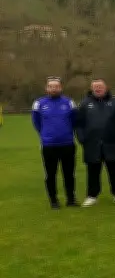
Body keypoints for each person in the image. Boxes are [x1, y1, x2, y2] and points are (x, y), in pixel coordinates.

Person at [74, 79, 115, 206]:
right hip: (92, 144)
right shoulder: (84, 103)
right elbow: (79, 124)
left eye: (100, 86)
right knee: (93, 171)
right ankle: (92, 196)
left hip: (112, 142)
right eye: (95, 87)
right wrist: (82, 139)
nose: (98, 89)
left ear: (106, 87)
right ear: (91, 88)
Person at [32, 76, 77, 209]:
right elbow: (36, 122)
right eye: (51, 86)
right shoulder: (39, 103)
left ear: (61, 88)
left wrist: (66, 132)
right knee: (50, 174)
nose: (54, 89)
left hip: (67, 143)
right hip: (49, 145)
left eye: (56, 86)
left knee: (69, 174)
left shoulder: (69, 102)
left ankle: (71, 199)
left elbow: (74, 120)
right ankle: (53, 200)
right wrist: (46, 134)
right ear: (46, 88)